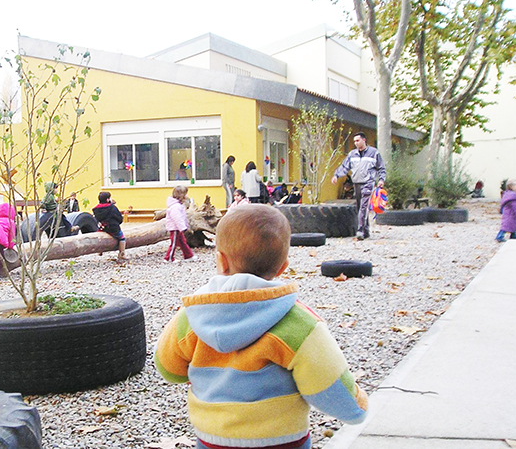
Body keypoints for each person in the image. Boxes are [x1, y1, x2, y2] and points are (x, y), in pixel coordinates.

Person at [154, 205, 368, 449]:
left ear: (221, 261)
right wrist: (357, 408)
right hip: (282, 442)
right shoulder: (299, 323)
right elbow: (327, 380)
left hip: (212, 440)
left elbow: (168, 368)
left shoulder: (191, 316)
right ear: (282, 267)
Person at [331, 132, 386, 240]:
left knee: (363, 207)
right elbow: (345, 166)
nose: (356, 143)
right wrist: (336, 175)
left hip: (368, 183)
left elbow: (381, 168)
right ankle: (366, 231)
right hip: (356, 183)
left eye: (357, 140)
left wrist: (381, 179)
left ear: (364, 140)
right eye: (354, 141)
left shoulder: (374, 153)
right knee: (360, 207)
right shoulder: (352, 154)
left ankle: (360, 230)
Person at [92, 191, 126, 261]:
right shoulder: (112, 207)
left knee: (101, 236)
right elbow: (119, 218)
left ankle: (100, 251)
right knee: (122, 238)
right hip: (112, 228)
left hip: (102, 227)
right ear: (107, 199)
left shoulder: (96, 209)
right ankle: (122, 254)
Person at [165, 185, 195, 262]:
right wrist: (182, 227)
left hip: (178, 228)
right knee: (174, 243)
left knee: (182, 242)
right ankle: (169, 258)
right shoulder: (175, 207)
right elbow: (177, 218)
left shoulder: (178, 205)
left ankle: (188, 256)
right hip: (175, 228)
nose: (187, 196)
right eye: (185, 194)